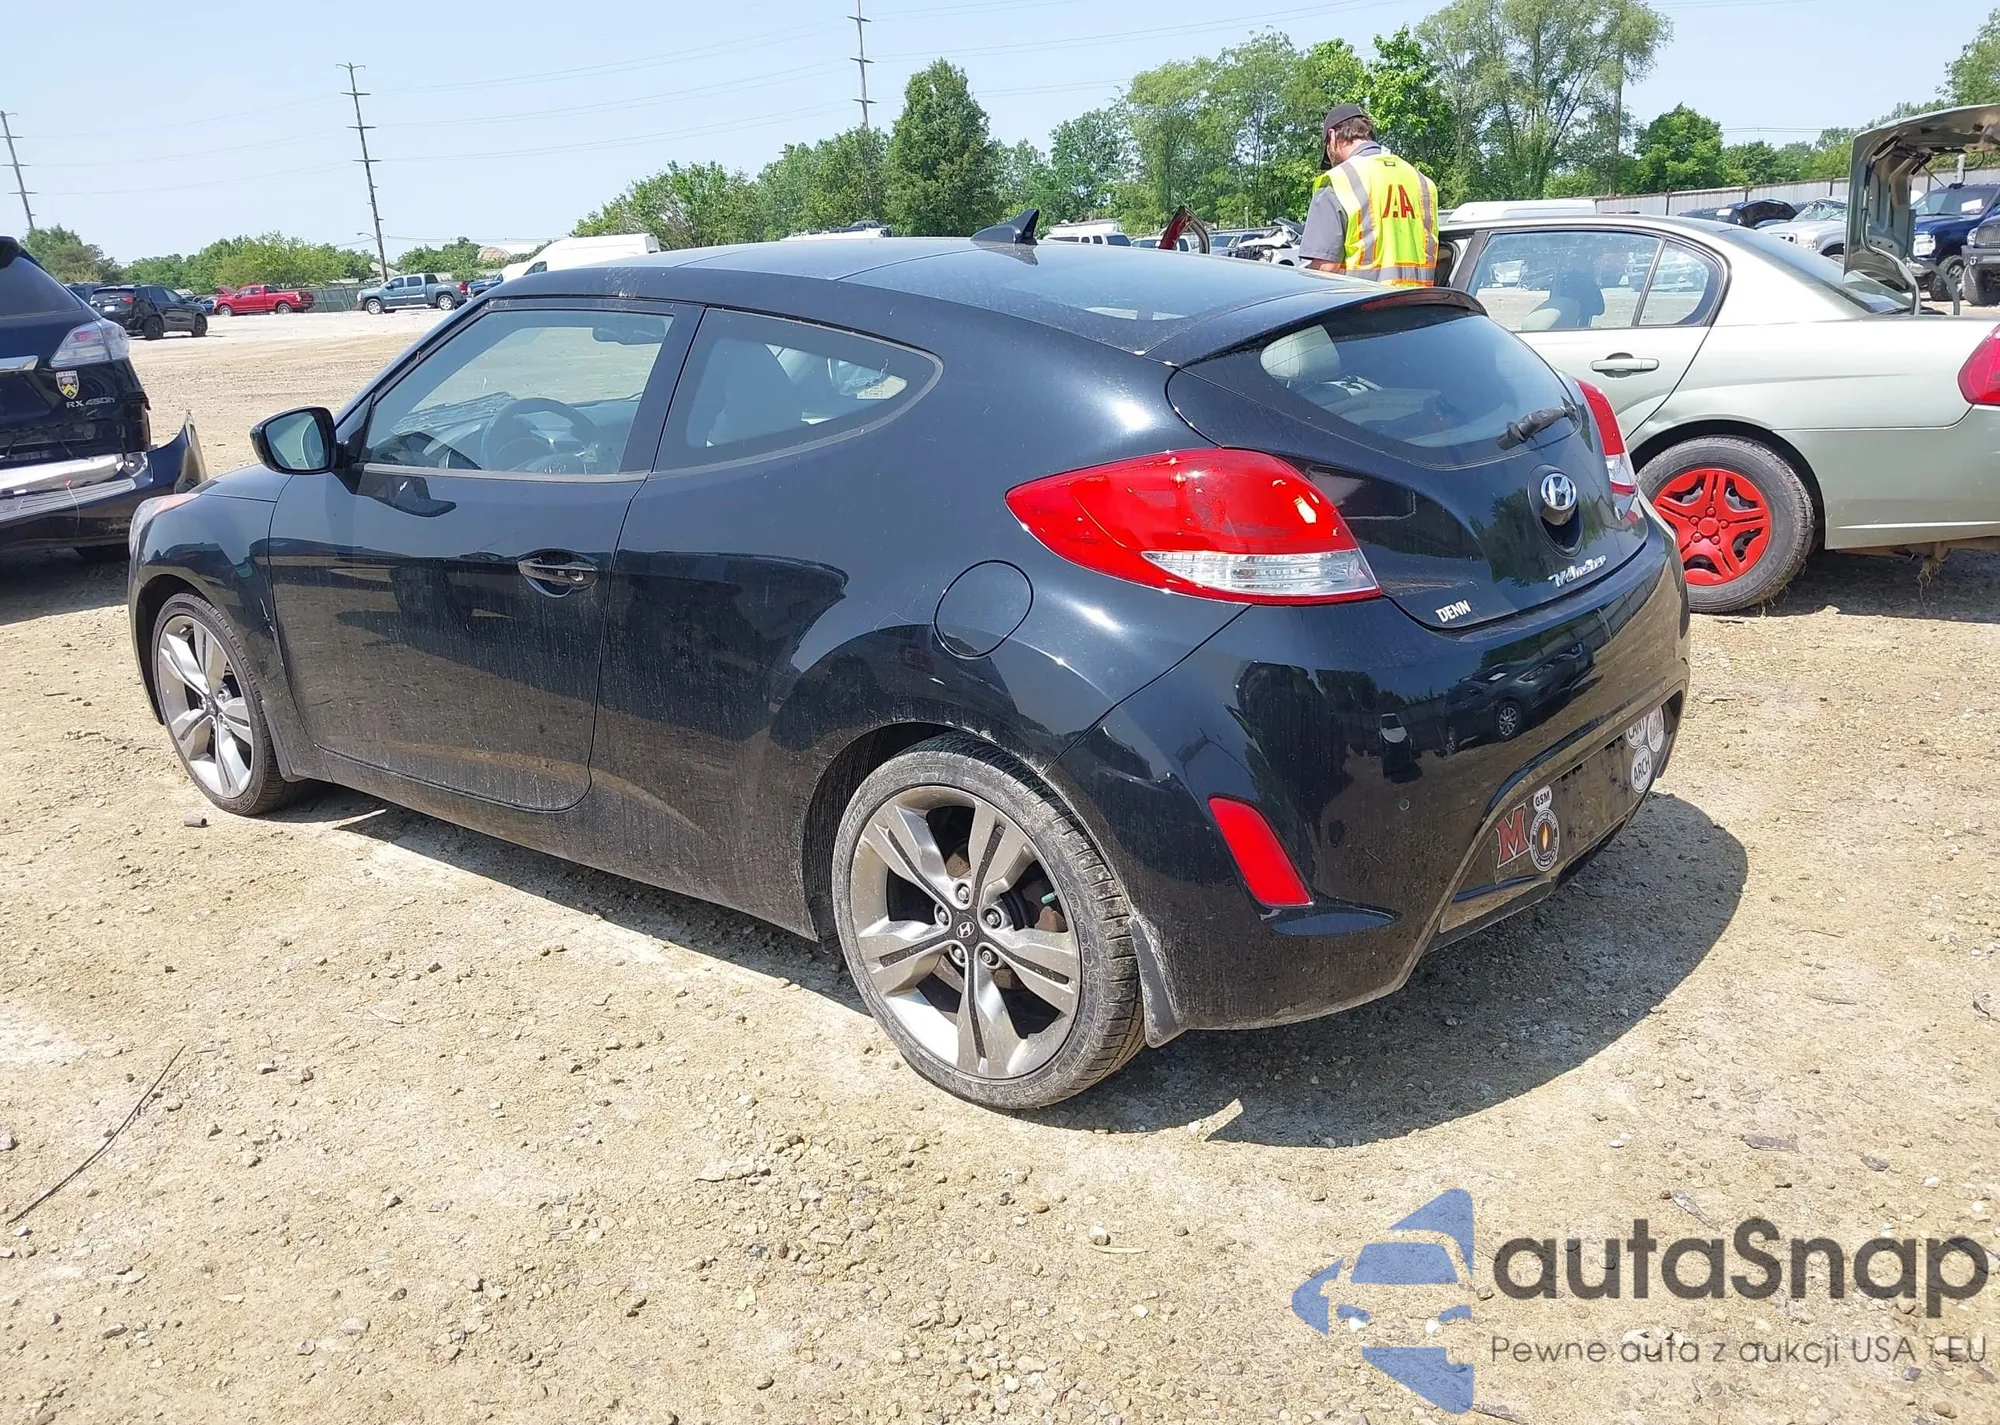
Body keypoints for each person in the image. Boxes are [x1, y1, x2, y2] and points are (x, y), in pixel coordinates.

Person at [1298, 103, 1440, 286]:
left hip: (1364, 301)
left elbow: (1325, 268)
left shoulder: (1338, 181)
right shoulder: (1422, 182)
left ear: (1332, 136)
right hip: (1417, 302)